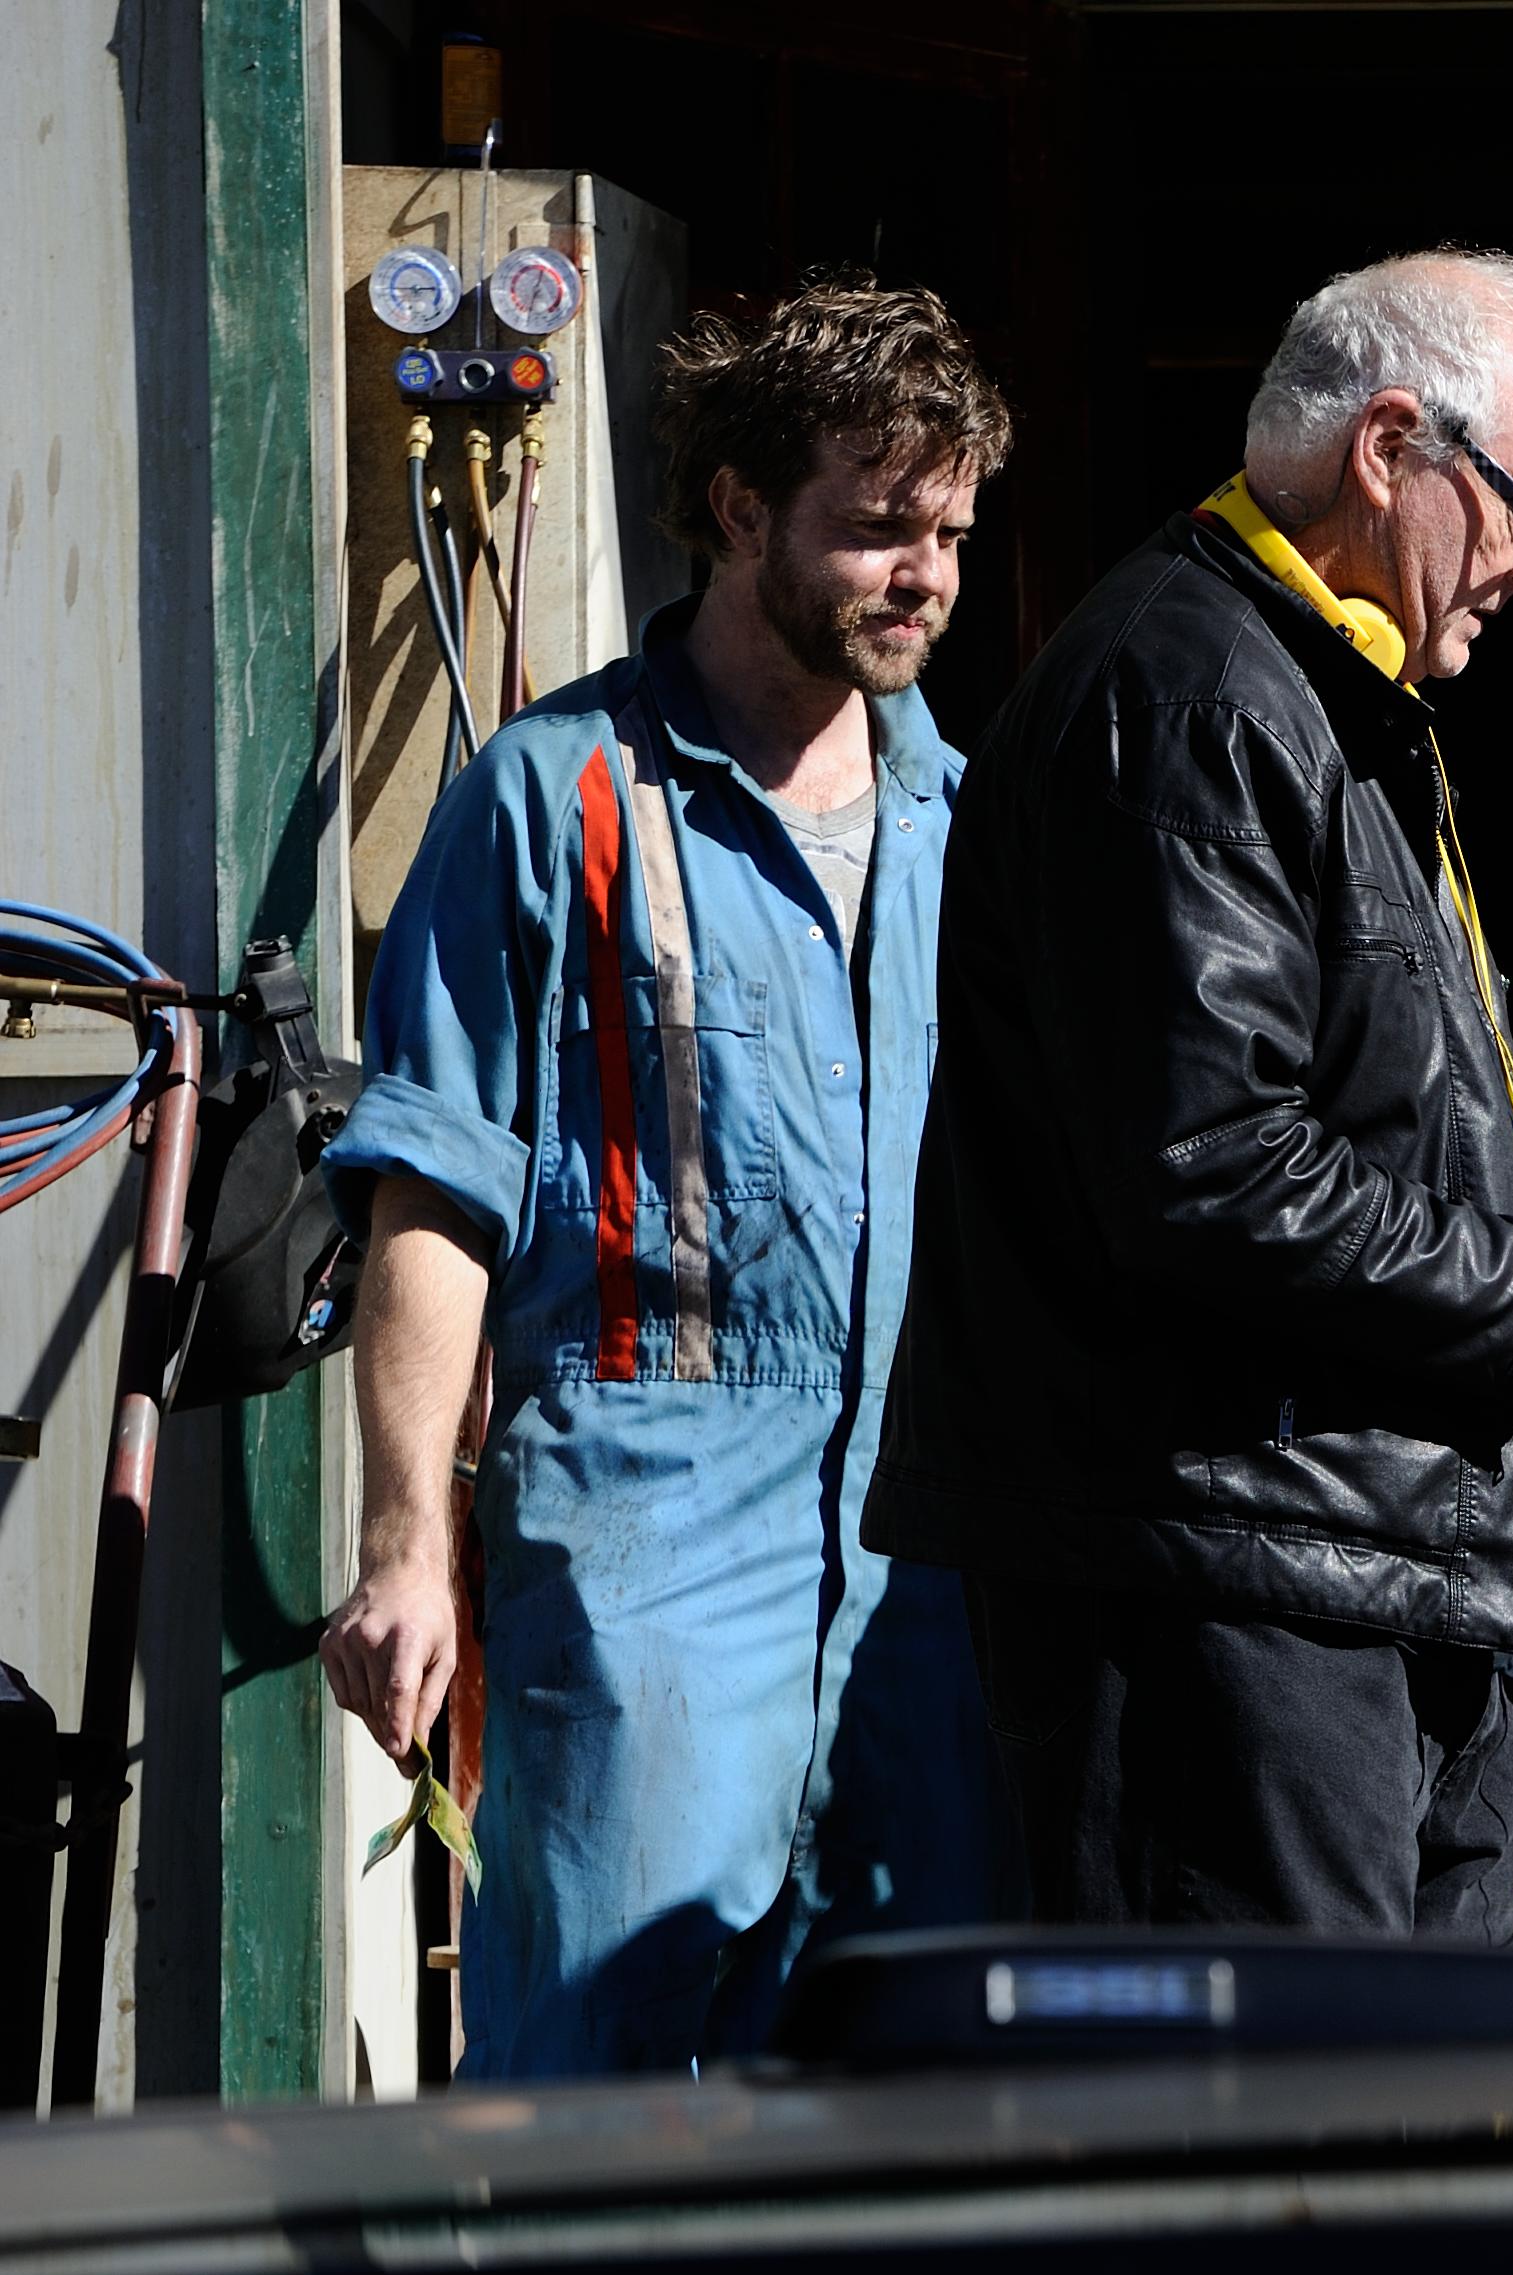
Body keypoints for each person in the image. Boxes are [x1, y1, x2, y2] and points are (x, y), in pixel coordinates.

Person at [867, 251, 1513, 1942]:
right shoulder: (1189, 691)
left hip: (1348, 1589)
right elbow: (1212, 1179)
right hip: (1229, 1591)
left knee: (1401, 2156)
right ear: (1388, 448)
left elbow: (1445, 1163)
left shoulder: (1324, 698)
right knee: (1281, 2160)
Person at [316, 280, 1014, 2073]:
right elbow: (435, 1191)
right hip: (645, 1544)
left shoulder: (972, 821)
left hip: (930, 1563)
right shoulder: (556, 798)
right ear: (736, 509)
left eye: (945, 530)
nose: (922, 573)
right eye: (874, 526)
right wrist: (407, 1545)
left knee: (898, 2091)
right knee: (591, 2084)